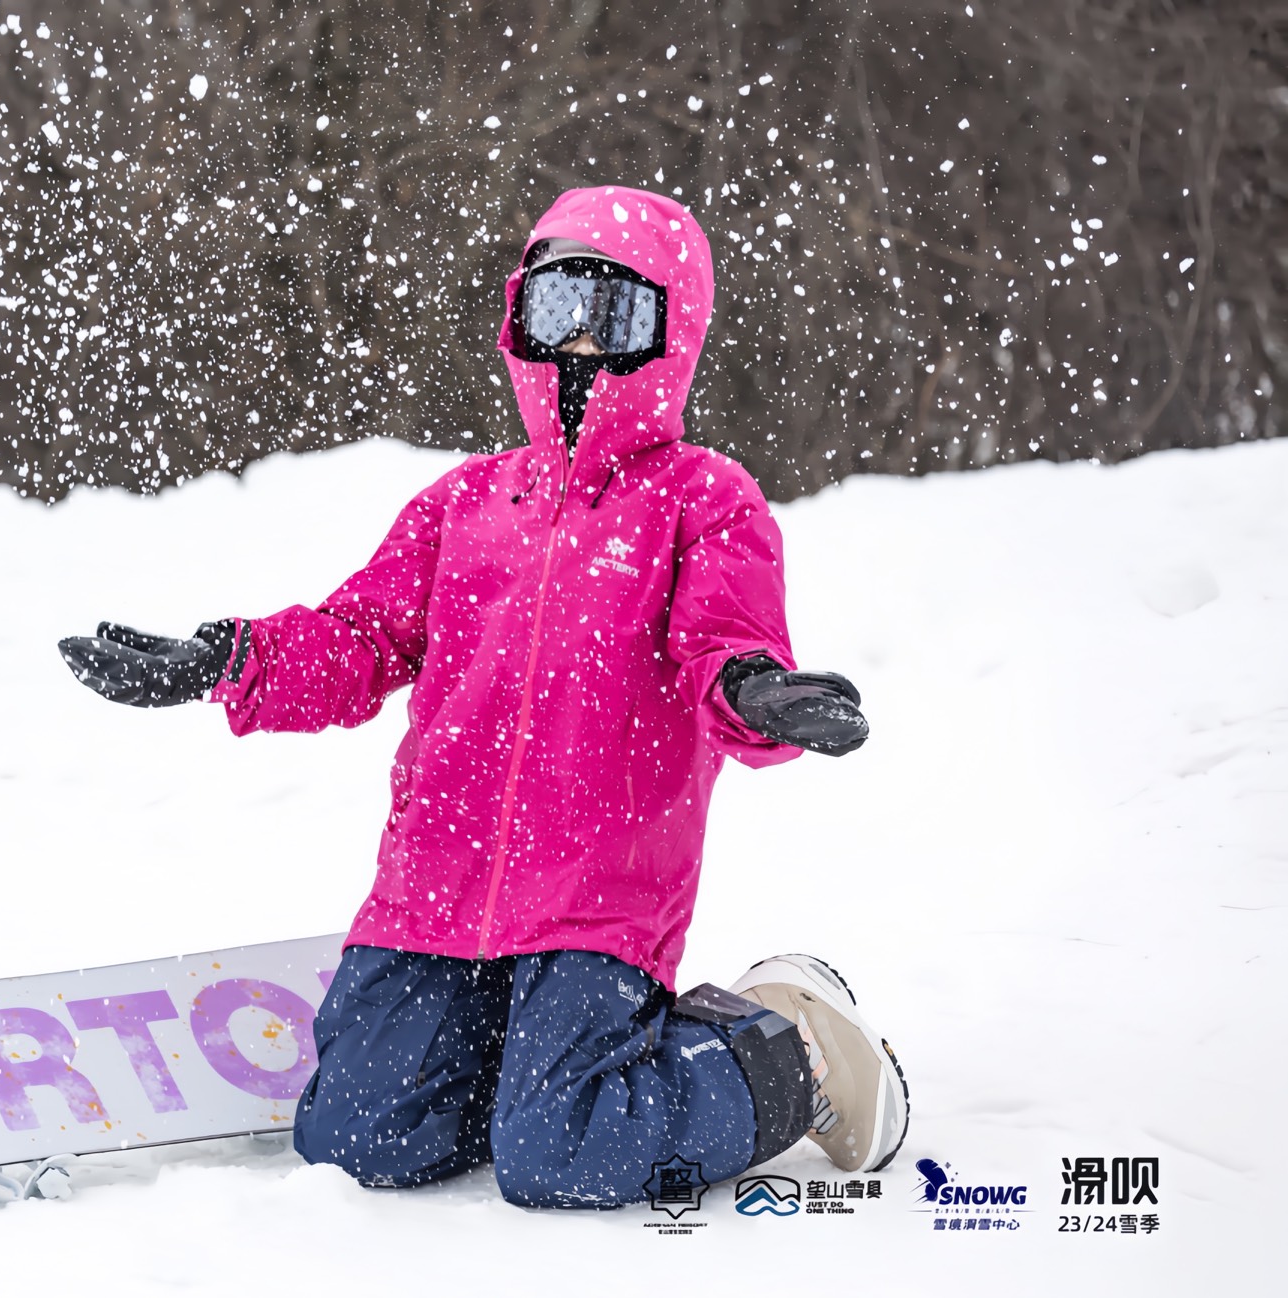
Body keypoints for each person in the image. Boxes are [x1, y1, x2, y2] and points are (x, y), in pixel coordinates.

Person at [58, 185, 908, 1207]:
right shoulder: (463, 502)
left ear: (667, 331)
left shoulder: (700, 499)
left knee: (561, 1151)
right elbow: (358, 637)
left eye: (612, 313)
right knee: (355, 1138)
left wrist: (757, 695)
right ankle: (521, 1066)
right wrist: (222, 659)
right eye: (557, 308)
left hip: (594, 896)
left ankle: (787, 1051)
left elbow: (719, 647)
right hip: (434, 886)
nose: (578, 342)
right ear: (519, 317)